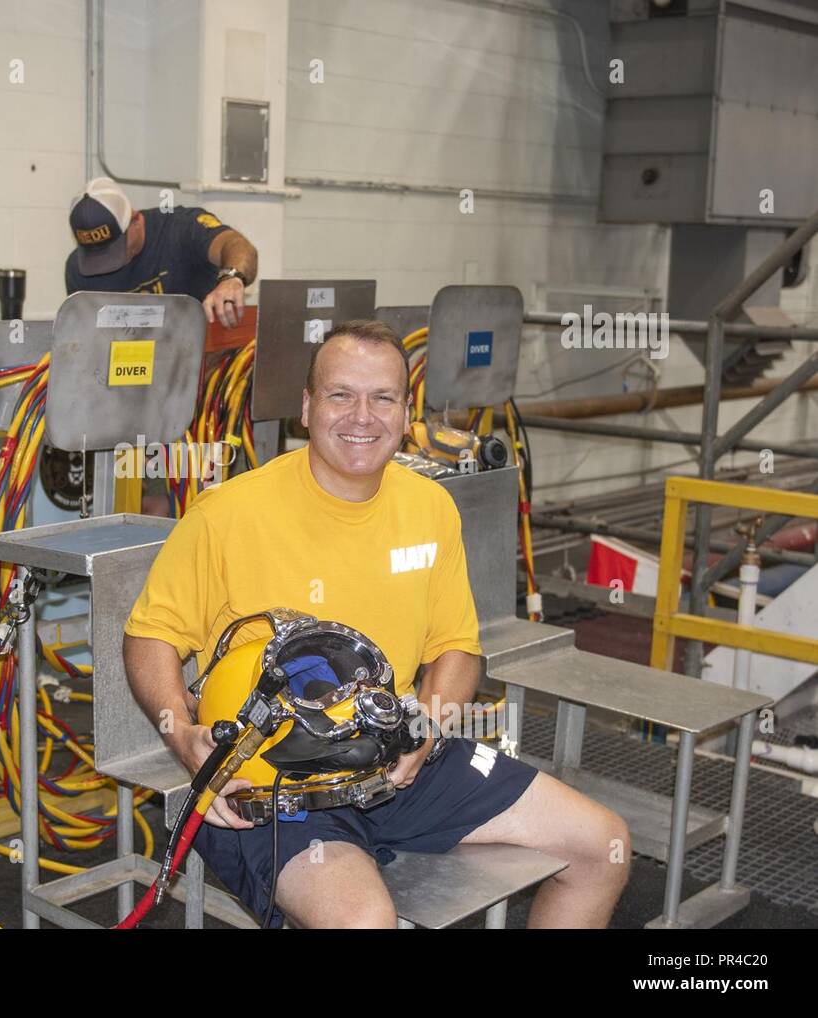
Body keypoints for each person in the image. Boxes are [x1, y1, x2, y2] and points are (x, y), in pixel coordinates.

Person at [123, 319, 631, 928]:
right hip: (271, 781)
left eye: (382, 397)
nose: (361, 416)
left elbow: (456, 649)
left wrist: (430, 726)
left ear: (405, 411)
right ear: (307, 408)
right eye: (341, 395)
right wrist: (183, 738)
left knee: (603, 846)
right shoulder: (228, 513)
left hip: (398, 753)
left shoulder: (430, 508)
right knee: (364, 923)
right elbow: (150, 635)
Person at [64, 176, 257, 329]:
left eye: (114, 247)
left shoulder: (181, 228)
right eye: (96, 253)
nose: (108, 260)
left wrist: (232, 278)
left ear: (136, 221)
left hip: (202, 359)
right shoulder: (78, 268)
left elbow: (235, 244)